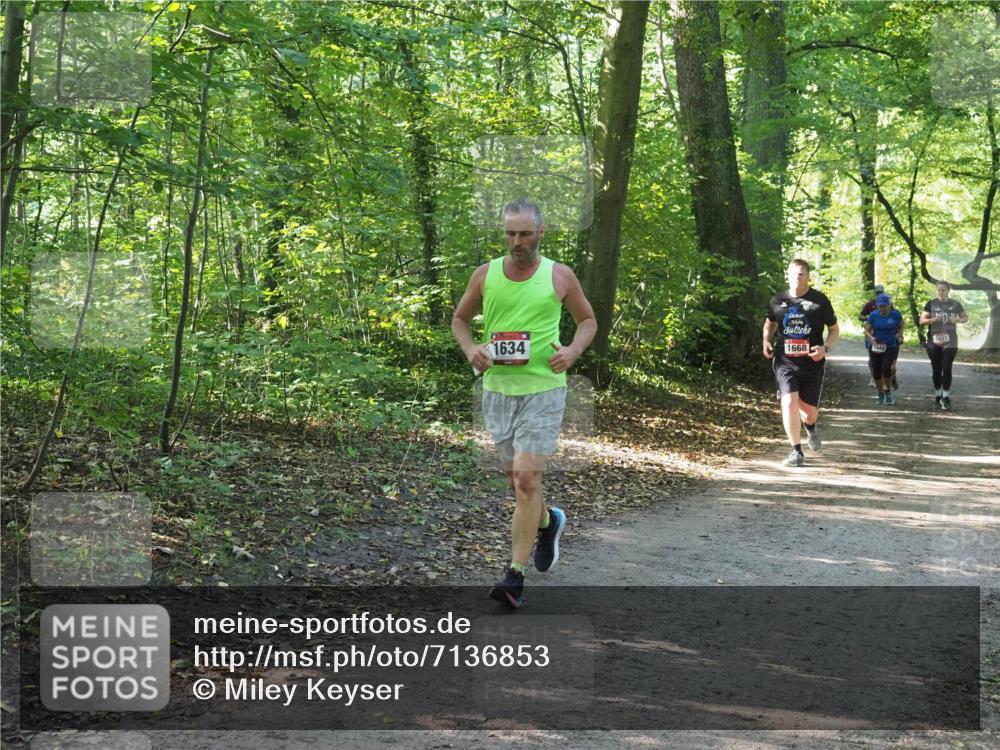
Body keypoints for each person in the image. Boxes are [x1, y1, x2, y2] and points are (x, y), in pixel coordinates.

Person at [451, 198, 597, 608]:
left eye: (524, 234)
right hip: (498, 390)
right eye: (510, 234)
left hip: (544, 389)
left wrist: (571, 352)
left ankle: (514, 577)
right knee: (517, 482)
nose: (516, 242)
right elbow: (459, 321)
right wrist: (471, 350)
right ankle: (549, 523)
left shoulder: (559, 276)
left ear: (541, 233)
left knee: (528, 479)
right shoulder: (486, 275)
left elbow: (588, 320)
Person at [763, 259, 840, 467]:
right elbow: (770, 323)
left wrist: (825, 349)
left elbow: (834, 330)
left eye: (801, 274)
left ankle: (811, 426)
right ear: (786, 275)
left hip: (812, 363)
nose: (796, 278)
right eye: (793, 274)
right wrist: (766, 341)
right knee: (789, 402)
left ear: (808, 276)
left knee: (808, 411)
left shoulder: (819, 301)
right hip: (784, 361)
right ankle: (796, 451)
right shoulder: (777, 300)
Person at [918, 280, 969, 410]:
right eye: (939, 290)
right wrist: (934, 319)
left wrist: (957, 319)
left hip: (950, 339)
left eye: (943, 290)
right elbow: (922, 321)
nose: (941, 292)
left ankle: (945, 396)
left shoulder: (955, 304)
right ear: (937, 291)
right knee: (936, 369)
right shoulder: (931, 304)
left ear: (948, 291)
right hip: (934, 339)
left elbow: (965, 318)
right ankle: (937, 394)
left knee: (947, 367)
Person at [865, 293, 904, 405]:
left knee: (886, 368)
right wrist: (871, 338)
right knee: (876, 372)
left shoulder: (895, 315)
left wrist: (899, 335)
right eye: (880, 306)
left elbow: (901, 324)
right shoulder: (873, 315)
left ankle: (888, 393)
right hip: (875, 346)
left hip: (890, 345)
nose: (882, 308)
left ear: (889, 305)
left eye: (884, 306)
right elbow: (867, 330)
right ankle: (880, 394)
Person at [858, 284, 898, 390]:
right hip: (872, 334)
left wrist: (898, 334)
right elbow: (860, 316)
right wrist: (867, 318)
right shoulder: (870, 304)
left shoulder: (888, 304)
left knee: (888, 362)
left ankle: (889, 377)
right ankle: (873, 378)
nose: (879, 294)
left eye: (881, 292)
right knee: (872, 359)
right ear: (874, 293)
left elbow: (895, 318)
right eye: (877, 293)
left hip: (887, 336)